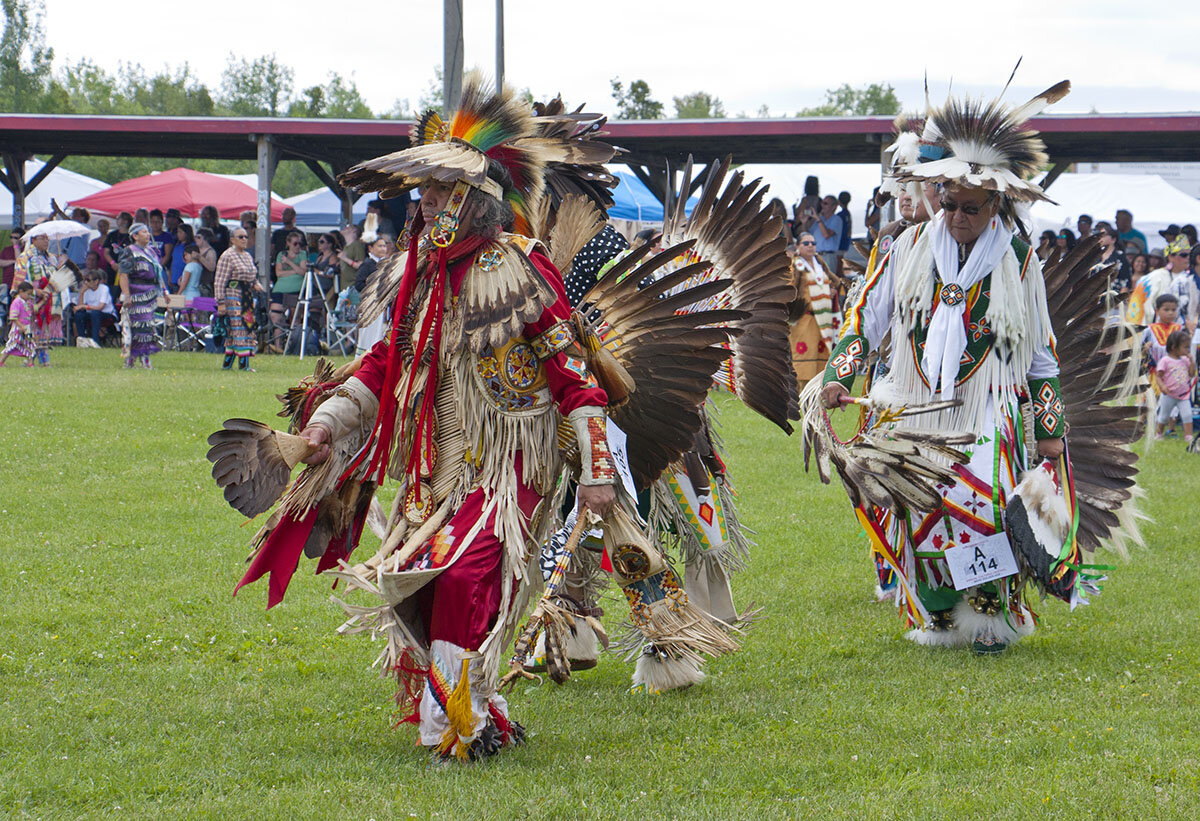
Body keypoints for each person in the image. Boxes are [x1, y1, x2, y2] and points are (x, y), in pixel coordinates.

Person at [232, 76, 620, 762]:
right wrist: (325, 424)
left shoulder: (520, 270)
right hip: (433, 469)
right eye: (424, 193)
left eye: (439, 192)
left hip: (507, 466)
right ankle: (476, 703)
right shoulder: (422, 275)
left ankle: (454, 723)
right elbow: (383, 366)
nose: (427, 204)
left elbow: (575, 377)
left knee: (469, 573)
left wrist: (596, 470)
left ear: (474, 199)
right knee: (423, 577)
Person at [820, 81, 1098, 654]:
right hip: (916, 403)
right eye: (948, 203)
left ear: (996, 205)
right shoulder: (908, 247)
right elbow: (864, 323)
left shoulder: (1018, 262)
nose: (957, 216)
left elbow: (1042, 355)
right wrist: (838, 378)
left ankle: (991, 614)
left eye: (970, 208)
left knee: (980, 505)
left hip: (987, 407)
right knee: (919, 506)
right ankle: (939, 612)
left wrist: (1048, 435)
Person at [788, 231, 841, 386]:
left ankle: (819, 394)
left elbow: (834, 282)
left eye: (813, 243)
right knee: (804, 359)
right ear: (798, 246)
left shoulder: (819, 262)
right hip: (804, 319)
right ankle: (803, 396)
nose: (810, 246)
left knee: (822, 358)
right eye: (806, 243)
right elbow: (789, 289)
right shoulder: (795, 265)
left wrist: (830, 291)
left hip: (823, 320)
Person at [116, 223, 164, 369]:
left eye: (148, 232)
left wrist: (165, 292)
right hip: (136, 293)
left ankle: (130, 362)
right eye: (143, 232)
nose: (148, 234)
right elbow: (123, 275)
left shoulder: (152, 251)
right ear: (135, 236)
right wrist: (127, 295)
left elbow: (158, 274)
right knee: (142, 327)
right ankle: (144, 361)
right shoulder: (129, 251)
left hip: (151, 294)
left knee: (146, 328)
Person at [214, 226, 261, 371]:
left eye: (246, 237)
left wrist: (255, 284)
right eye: (240, 237)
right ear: (232, 239)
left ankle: (227, 364)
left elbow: (250, 275)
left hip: (246, 296)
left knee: (243, 329)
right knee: (238, 328)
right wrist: (220, 302)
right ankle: (243, 365)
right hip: (233, 296)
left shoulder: (247, 256)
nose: (244, 240)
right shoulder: (227, 256)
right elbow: (220, 280)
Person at [1129, 236, 1188, 325]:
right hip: (1156, 331)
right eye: (1184, 255)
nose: (1188, 258)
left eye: (1190, 255)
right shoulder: (1152, 278)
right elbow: (1141, 310)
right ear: (1170, 257)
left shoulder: (1191, 278)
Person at [19, 230, 55, 365]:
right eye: (43, 238)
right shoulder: (25, 257)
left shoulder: (50, 258)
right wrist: (35, 291)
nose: (46, 241)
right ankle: (30, 358)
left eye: (47, 238)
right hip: (31, 298)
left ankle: (41, 358)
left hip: (46, 298)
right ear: (33, 240)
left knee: (43, 328)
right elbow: (21, 281)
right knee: (31, 328)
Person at [270, 229, 308, 352]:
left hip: (296, 291)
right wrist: (295, 270)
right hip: (280, 289)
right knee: (276, 316)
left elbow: (303, 272)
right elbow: (278, 273)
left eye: (299, 244)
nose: (298, 246)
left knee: (295, 318)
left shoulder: (302, 254)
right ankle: (278, 345)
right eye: (295, 243)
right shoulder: (281, 254)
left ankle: (292, 346)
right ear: (288, 243)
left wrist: (289, 263)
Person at [1154, 329, 1195, 440]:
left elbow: (1191, 374)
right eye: (1185, 347)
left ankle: (1189, 436)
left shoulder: (1185, 360)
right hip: (1169, 395)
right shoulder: (1165, 361)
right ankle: (1158, 434)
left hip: (1183, 395)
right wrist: (1162, 386)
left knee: (1187, 415)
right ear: (1174, 347)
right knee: (1163, 416)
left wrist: (1192, 362)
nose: (1188, 349)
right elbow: (1158, 376)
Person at [0, 280, 38, 366]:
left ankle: (30, 363)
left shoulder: (28, 302)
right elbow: (13, 317)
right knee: (12, 345)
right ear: (21, 292)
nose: (29, 296)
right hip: (18, 328)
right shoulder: (17, 302)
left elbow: (35, 310)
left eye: (30, 294)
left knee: (30, 344)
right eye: (28, 294)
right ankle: (1, 361)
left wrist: (43, 300)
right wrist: (21, 326)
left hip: (27, 327)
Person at [73, 270, 116, 345]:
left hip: (107, 314)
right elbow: (80, 307)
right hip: (91, 313)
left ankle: (95, 341)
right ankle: (82, 340)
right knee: (79, 314)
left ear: (96, 281)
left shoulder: (104, 289)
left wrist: (84, 306)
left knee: (95, 313)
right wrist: (82, 293)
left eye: (88, 280)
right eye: (85, 280)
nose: (86, 282)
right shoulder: (86, 290)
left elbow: (100, 307)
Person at [1091, 221, 1131, 293]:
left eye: (1104, 235)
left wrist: (1119, 301)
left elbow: (1126, 281)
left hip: (1113, 295)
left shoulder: (1120, 257)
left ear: (1113, 239)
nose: (1101, 238)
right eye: (1099, 235)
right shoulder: (1095, 257)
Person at [1168, 245, 1200, 333]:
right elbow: (1170, 313)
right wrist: (1186, 324)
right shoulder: (1180, 283)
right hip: (1182, 338)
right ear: (1199, 259)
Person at [812, 194, 843, 271]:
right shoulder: (819, 219)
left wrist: (818, 219)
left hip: (828, 256)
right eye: (821, 203)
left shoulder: (836, 219)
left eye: (825, 203)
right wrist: (804, 222)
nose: (822, 205)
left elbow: (826, 235)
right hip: (816, 255)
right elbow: (807, 234)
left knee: (828, 281)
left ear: (834, 207)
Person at [102, 212, 133, 287]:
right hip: (113, 268)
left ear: (125, 221)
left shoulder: (132, 236)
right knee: (113, 290)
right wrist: (113, 263)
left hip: (127, 270)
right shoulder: (112, 235)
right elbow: (106, 252)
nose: (117, 220)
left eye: (119, 218)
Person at [149, 209, 173, 274]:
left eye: (158, 221)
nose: (155, 224)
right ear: (149, 223)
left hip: (161, 270)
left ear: (162, 222)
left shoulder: (167, 236)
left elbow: (167, 255)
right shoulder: (146, 235)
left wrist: (157, 267)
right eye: (153, 222)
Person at [171, 223, 194, 289]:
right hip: (175, 277)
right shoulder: (177, 246)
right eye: (178, 232)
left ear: (187, 233)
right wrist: (170, 276)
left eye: (180, 232)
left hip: (185, 279)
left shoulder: (192, 246)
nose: (178, 234)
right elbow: (173, 261)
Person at [1, 227, 22, 291]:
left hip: (20, 284)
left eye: (15, 238)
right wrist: (12, 261)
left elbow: (19, 261)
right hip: (7, 282)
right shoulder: (6, 249)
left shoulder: (25, 250)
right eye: (11, 237)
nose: (13, 240)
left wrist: (16, 246)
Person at [836, 190, 853, 266]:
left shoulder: (840, 215)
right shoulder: (847, 213)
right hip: (846, 241)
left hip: (840, 242)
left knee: (838, 264)